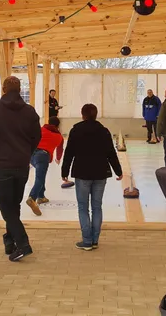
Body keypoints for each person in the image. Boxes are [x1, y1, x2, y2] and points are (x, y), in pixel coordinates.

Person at [0, 76, 42, 262]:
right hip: (22, 165)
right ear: (20, 90)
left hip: (2, 164)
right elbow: (37, 136)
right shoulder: (30, 111)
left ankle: (23, 244)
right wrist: (26, 152)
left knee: (6, 207)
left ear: (3, 89)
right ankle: (9, 241)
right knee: (14, 205)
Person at [61, 104, 123, 251]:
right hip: (100, 173)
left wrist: (64, 171)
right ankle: (95, 240)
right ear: (96, 115)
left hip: (82, 173)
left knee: (83, 207)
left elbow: (69, 152)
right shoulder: (104, 131)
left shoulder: (76, 130)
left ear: (82, 115)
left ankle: (87, 241)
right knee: (97, 207)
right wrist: (118, 171)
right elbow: (111, 153)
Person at [27, 116, 64, 208]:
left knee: (41, 175)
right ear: (58, 125)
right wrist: (58, 158)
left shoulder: (40, 129)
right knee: (40, 178)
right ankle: (32, 198)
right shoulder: (59, 136)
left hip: (31, 155)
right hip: (43, 156)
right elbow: (60, 149)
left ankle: (41, 197)